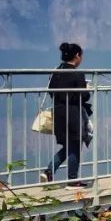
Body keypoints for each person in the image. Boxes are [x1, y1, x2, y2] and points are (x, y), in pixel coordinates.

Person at [42, 42, 91, 187]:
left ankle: (49, 171)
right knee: (75, 145)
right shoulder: (77, 73)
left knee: (69, 146)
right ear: (77, 56)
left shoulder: (57, 72)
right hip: (73, 113)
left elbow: (51, 91)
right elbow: (83, 96)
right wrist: (86, 90)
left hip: (59, 112)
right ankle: (72, 180)